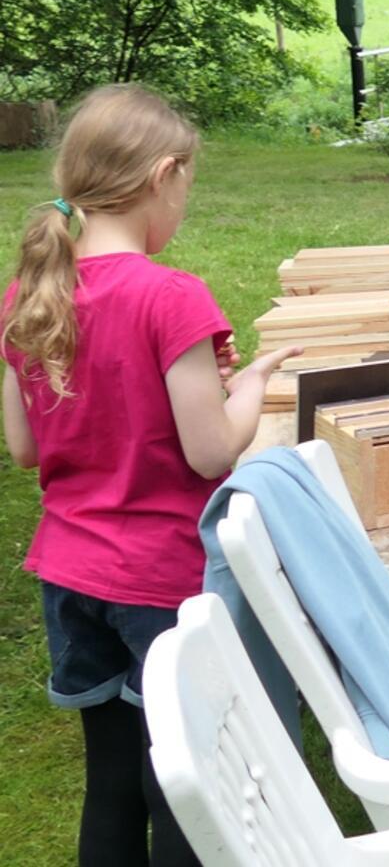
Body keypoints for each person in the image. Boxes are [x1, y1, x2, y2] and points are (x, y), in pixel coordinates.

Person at [1, 85, 300, 865]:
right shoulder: (171, 295)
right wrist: (251, 385)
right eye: (187, 188)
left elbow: (26, 447)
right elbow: (210, 453)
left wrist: (197, 375)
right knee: (180, 781)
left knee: (110, 780)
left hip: (69, 578)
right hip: (158, 582)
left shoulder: (28, 294)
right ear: (164, 175)